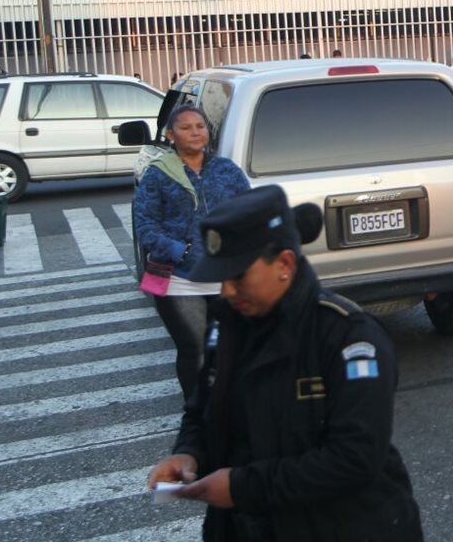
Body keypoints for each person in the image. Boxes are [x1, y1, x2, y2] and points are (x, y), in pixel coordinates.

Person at [147, 185, 423, 541]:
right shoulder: (227, 325)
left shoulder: (347, 336)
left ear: (285, 264)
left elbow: (355, 458)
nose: (227, 291)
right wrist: (188, 454)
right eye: (221, 277)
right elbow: (202, 410)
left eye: (238, 276)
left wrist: (242, 487)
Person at [133, 105, 251, 401]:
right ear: (171, 135)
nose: (195, 132)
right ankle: (197, 409)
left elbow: (249, 211)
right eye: (186, 128)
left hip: (226, 278)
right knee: (194, 348)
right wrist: (179, 250)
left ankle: (228, 406)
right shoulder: (158, 174)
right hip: (179, 280)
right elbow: (145, 226)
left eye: (200, 126)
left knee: (230, 347)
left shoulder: (226, 169)